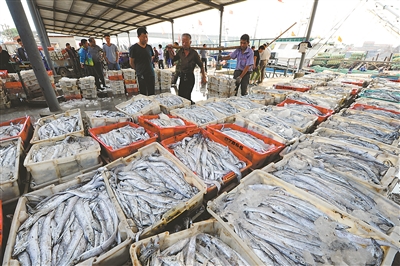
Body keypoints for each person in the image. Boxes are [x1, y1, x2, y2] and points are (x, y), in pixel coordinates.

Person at [170, 33, 206, 104]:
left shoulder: (194, 53)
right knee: (181, 96)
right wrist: (169, 50)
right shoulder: (180, 52)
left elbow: (201, 65)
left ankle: (190, 108)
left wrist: (203, 77)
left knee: (187, 96)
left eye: (186, 42)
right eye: (183, 42)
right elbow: (174, 58)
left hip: (190, 77)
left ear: (190, 42)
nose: (184, 44)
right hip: (182, 76)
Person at [129, 27, 155, 96]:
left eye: (146, 37)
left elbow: (151, 58)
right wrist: (138, 69)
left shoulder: (149, 47)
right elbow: (131, 62)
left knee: (152, 93)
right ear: (138, 37)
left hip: (150, 73)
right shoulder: (134, 48)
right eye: (143, 37)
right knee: (143, 94)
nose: (145, 39)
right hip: (141, 75)